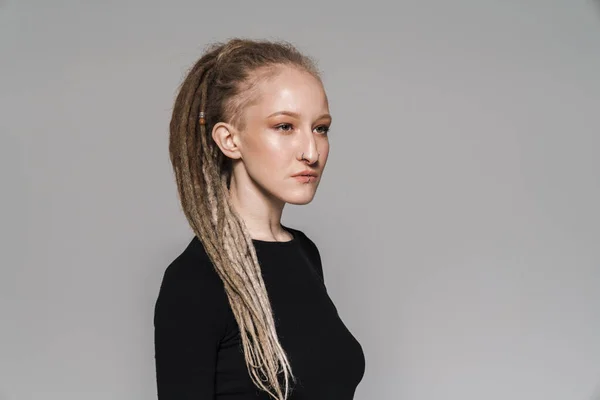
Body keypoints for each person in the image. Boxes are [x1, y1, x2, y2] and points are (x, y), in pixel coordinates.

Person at [153, 38, 366, 400]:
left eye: (321, 128)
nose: (311, 152)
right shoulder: (195, 280)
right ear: (229, 139)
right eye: (284, 126)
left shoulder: (304, 254)